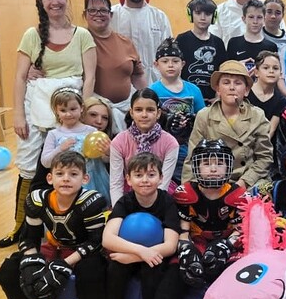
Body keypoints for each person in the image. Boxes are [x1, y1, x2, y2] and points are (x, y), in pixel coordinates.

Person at [0, 0, 96, 248]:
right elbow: (20, 76)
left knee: (72, 164)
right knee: (29, 167)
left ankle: (73, 227)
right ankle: (20, 227)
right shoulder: (32, 35)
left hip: (72, 109)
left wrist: (84, 111)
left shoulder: (82, 35)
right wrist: (18, 113)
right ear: (41, 4)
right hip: (37, 107)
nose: (54, 2)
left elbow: (90, 76)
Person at [0, 151, 107, 299]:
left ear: (85, 179)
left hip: (84, 250)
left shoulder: (90, 202)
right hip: (54, 247)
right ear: (50, 178)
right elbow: (29, 237)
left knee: (91, 273)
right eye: (60, 174)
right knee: (8, 271)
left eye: (73, 174)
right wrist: (31, 261)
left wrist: (66, 263)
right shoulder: (38, 200)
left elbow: (97, 241)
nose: (66, 179)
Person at [101, 152, 182, 299]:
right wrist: (139, 251)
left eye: (151, 175)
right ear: (128, 179)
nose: (145, 180)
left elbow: (170, 245)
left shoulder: (167, 202)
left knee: (153, 272)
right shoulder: (125, 202)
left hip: (153, 256)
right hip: (131, 254)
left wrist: (139, 257)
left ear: (161, 177)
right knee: (114, 271)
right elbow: (108, 239)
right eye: (138, 175)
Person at [184, 60, 273, 190]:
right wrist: (188, 188)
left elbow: (264, 158)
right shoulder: (204, 115)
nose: (232, 87)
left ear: (247, 90)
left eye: (238, 83)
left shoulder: (257, 116)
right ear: (218, 89)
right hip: (212, 179)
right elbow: (192, 157)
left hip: (248, 181)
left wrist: (244, 182)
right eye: (226, 82)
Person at [174, 140, 247, 287]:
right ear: (197, 166)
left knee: (229, 271)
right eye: (206, 163)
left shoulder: (237, 194)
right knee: (186, 269)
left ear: (228, 166)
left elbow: (239, 231)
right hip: (197, 240)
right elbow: (183, 232)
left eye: (220, 163)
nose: (213, 169)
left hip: (227, 240)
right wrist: (186, 249)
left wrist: (226, 245)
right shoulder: (186, 193)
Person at [82, 0, 146, 132]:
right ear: (85, 15)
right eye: (92, 10)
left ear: (111, 15)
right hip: (94, 116)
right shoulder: (78, 40)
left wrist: (147, 100)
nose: (98, 14)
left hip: (125, 110)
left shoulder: (125, 42)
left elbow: (138, 75)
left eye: (103, 10)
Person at [150, 37, 206, 183]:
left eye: (175, 61)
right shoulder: (151, 91)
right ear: (156, 64)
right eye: (165, 61)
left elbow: (204, 120)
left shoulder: (194, 90)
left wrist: (193, 120)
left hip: (188, 152)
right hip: (159, 151)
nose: (170, 65)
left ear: (183, 64)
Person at [109, 89, 179, 205]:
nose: (144, 115)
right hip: (129, 192)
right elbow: (116, 183)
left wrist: (152, 208)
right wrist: (119, 209)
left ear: (158, 113)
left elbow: (163, 184)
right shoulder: (119, 141)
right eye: (138, 110)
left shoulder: (170, 143)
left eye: (150, 110)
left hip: (160, 195)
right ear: (131, 113)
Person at [109, 0, 172, 84]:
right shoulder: (112, 15)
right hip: (122, 82)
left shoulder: (159, 17)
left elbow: (168, 52)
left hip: (154, 82)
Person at [176, 0, 227, 103]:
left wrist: (218, 95)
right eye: (198, 13)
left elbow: (222, 72)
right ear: (191, 15)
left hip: (212, 100)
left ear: (214, 16)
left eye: (207, 14)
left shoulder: (218, 42)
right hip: (186, 97)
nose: (203, 18)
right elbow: (176, 69)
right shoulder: (182, 39)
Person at [40, 87, 94, 168]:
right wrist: (60, 149)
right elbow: (45, 163)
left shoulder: (91, 131)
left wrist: (106, 152)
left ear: (81, 108)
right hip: (65, 174)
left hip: (91, 174)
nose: (68, 114)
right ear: (56, 111)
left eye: (73, 109)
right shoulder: (53, 134)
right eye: (63, 110)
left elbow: (103, 159)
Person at [226, 0, 278, 75]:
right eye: (251, 17)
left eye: (259, 17)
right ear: (244, 19)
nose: (255, 21)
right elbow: (226, 70)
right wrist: (238, 66)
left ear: (264, 19)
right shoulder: (233, 43)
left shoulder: (271, 47)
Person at [81, 95, 115, 204]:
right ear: (82, 114)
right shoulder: (62, 137)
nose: (99, 121)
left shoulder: (113, 142)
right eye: (93, 115)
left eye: (105, 118)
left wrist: (111, 155)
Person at [246, 50, 286, 139]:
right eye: (266, 68)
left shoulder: (280, 100)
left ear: (280, 74)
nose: (271, 71)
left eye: (275, 68)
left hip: (265, 143)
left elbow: (271, 130)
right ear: (256, 72)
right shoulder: (245, 93)